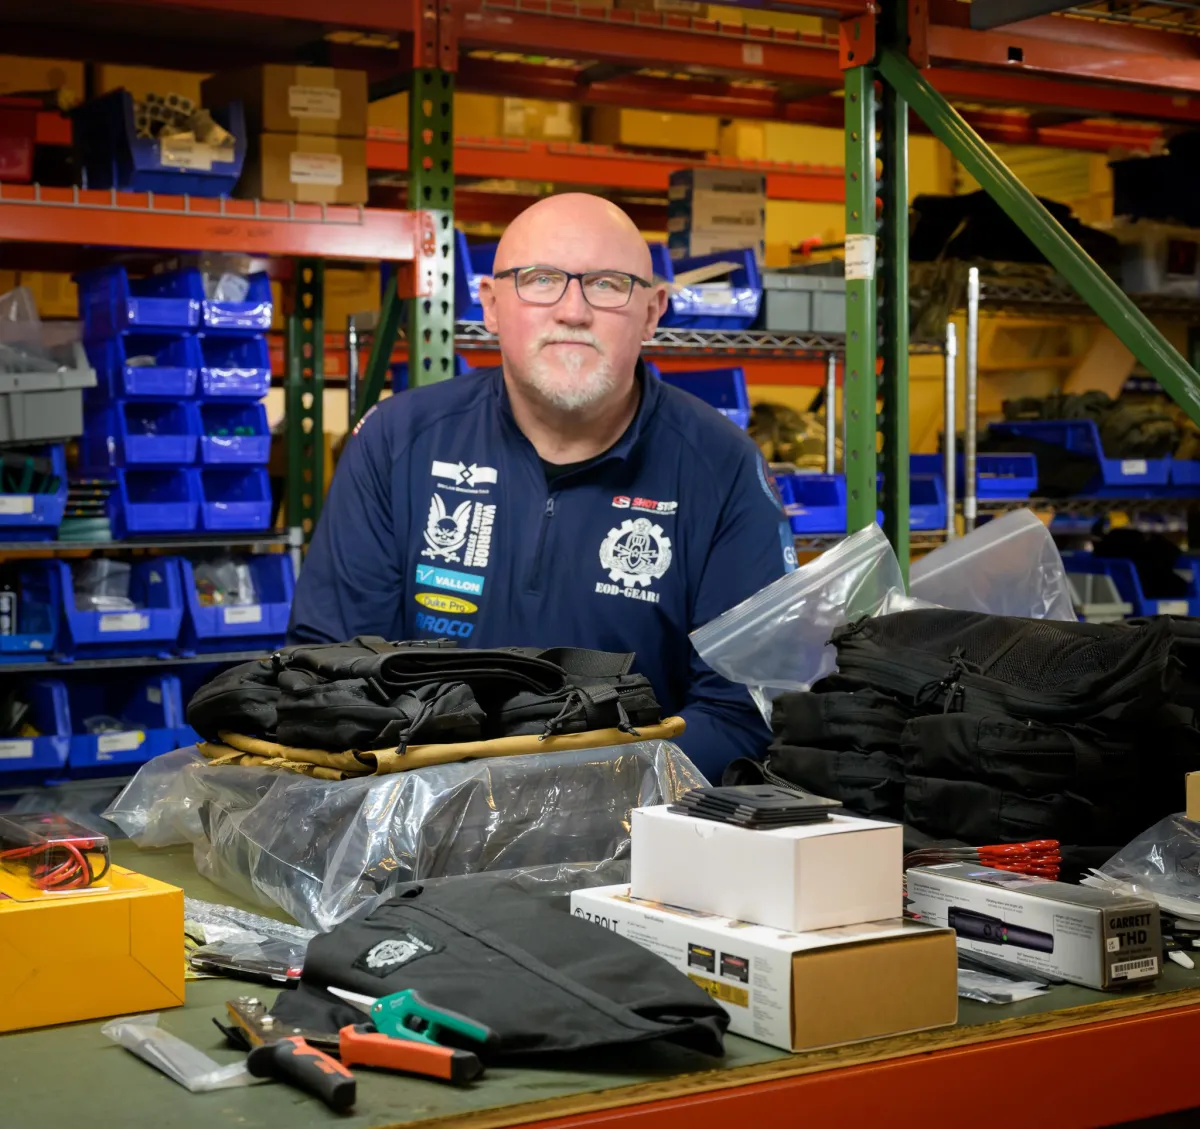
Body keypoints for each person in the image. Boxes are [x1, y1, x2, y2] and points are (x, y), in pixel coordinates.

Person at [289, 193, 795, 782]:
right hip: (411, 837)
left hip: (635, 849)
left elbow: (743, 714)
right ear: (492, 304)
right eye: (540, 279)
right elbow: (329, 676)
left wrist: (565, 806)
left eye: (608, 284)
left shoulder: (723, 469)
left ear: (654, 311)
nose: (573, 310)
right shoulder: (397, 443)